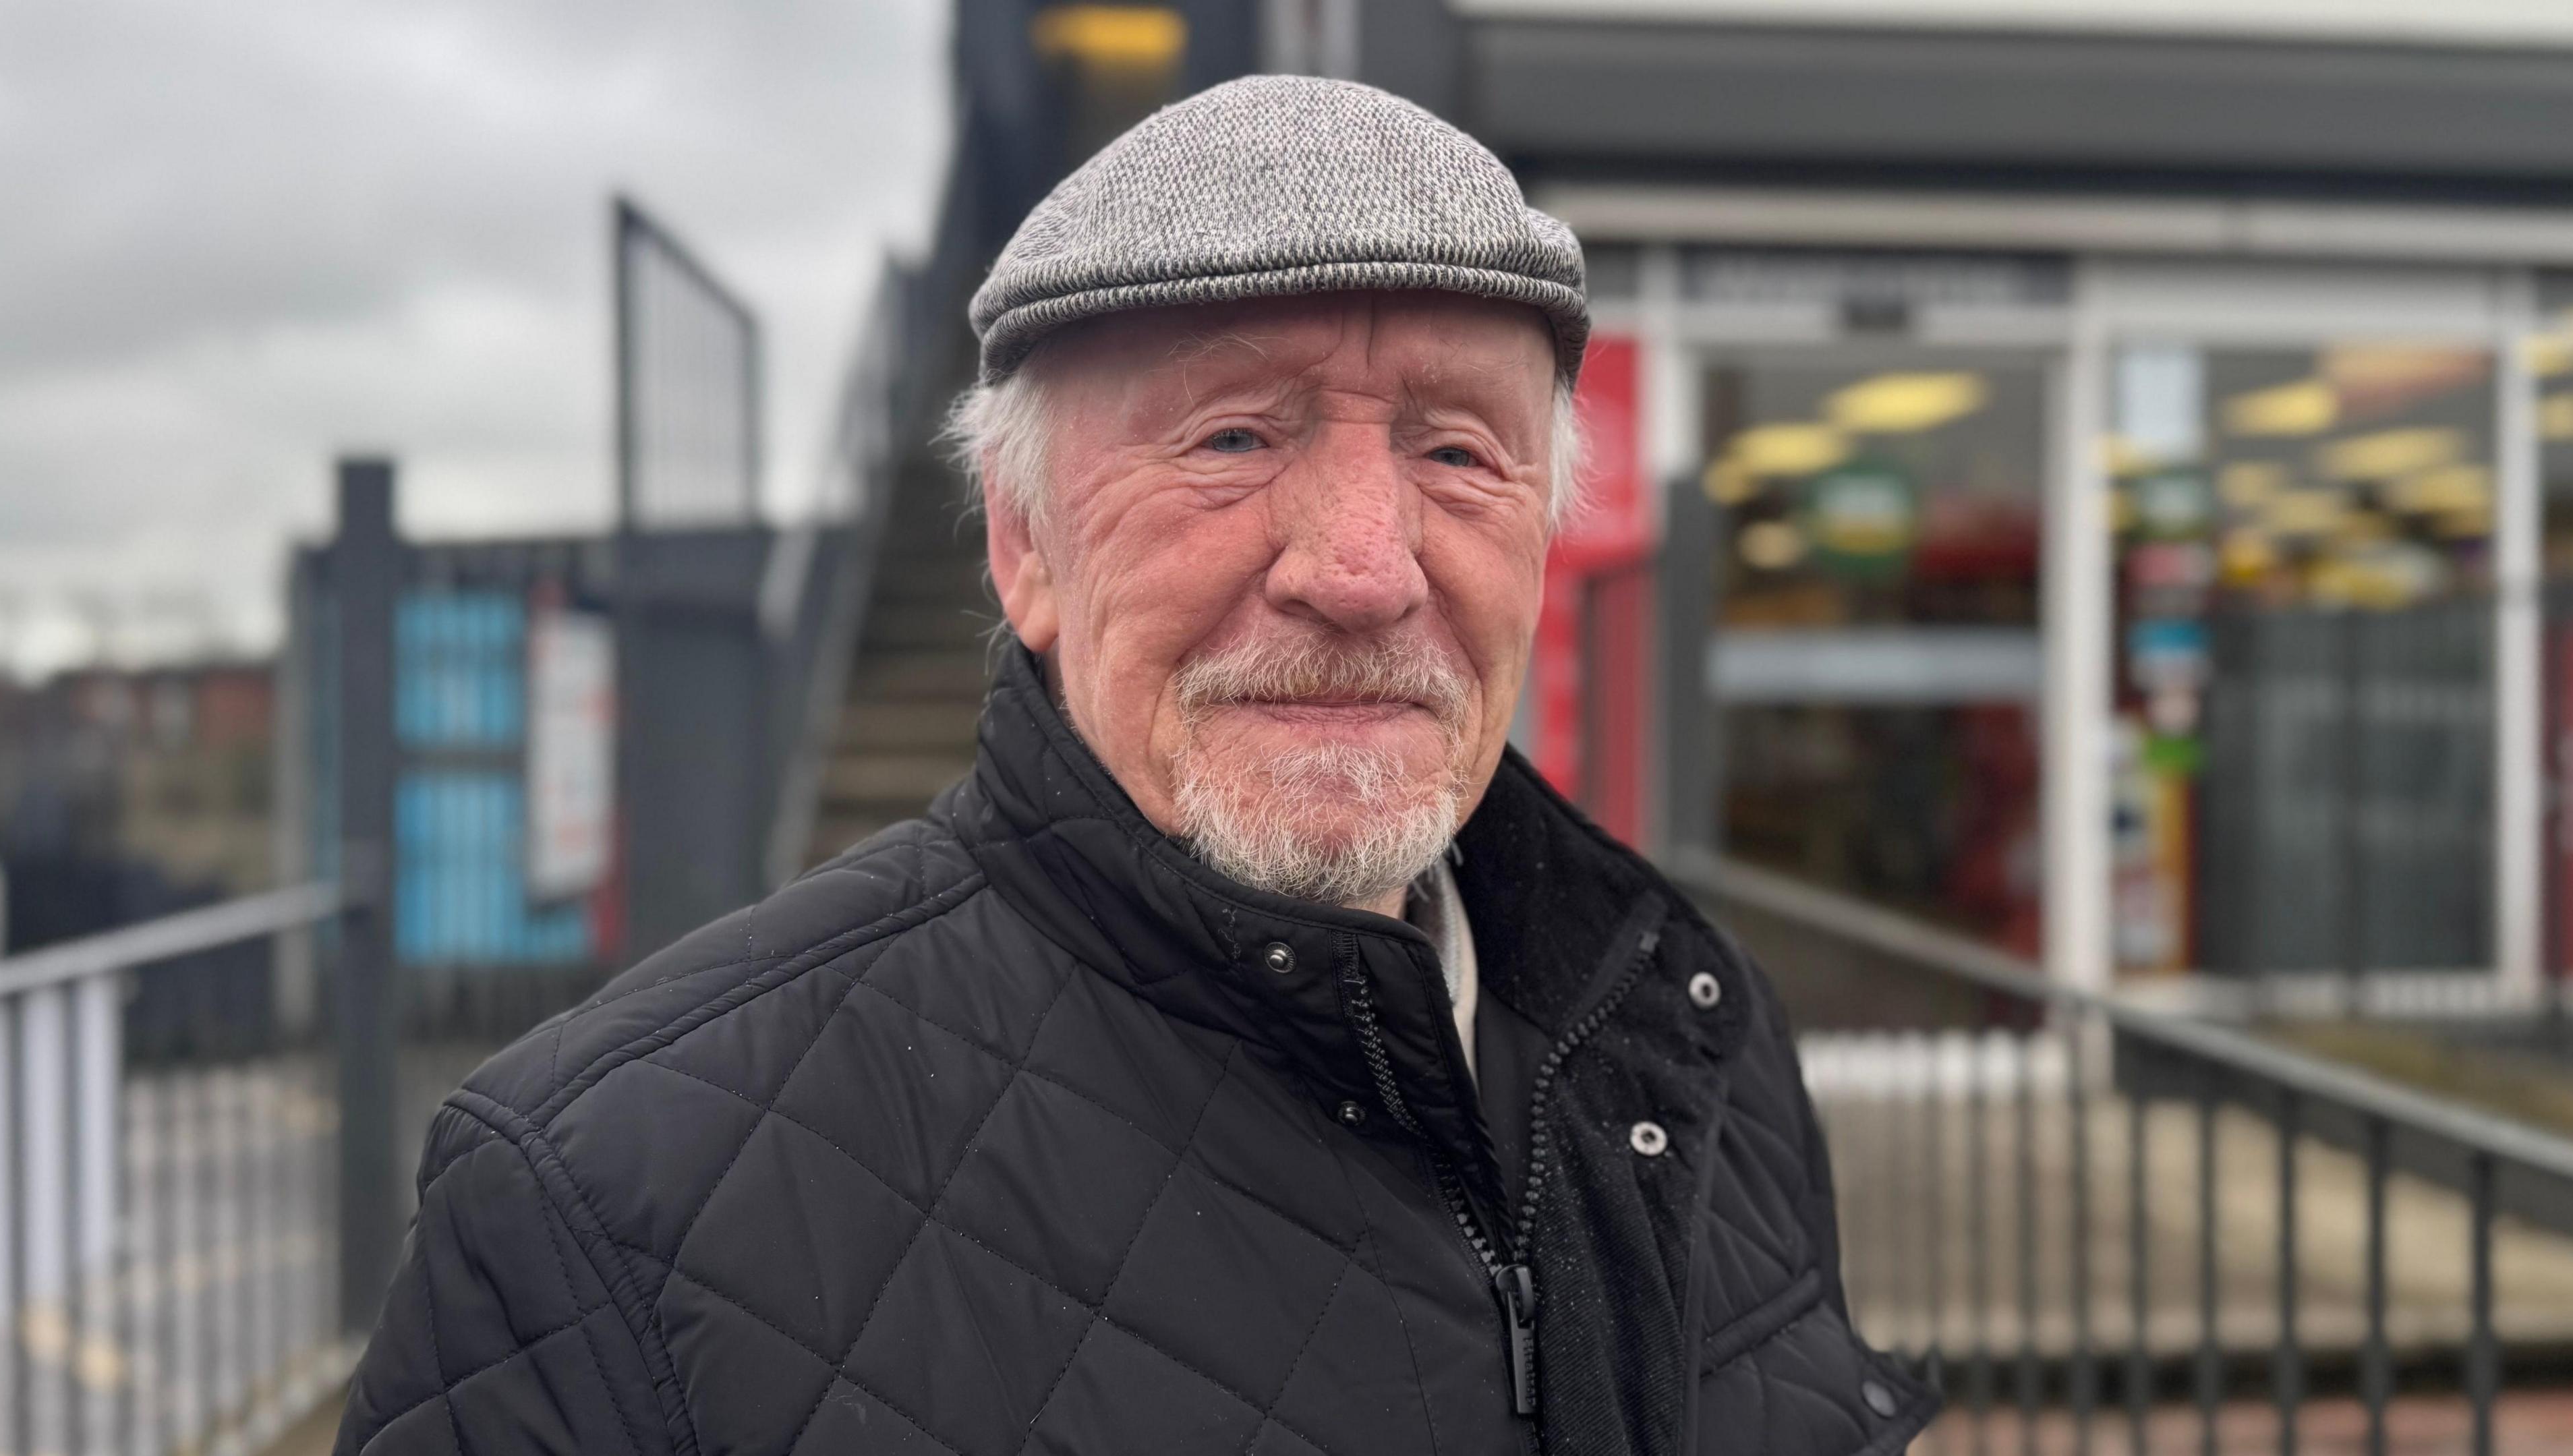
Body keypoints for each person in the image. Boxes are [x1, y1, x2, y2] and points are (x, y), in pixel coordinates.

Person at [334, 75, 1932, 1456]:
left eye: (1458, 450)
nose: (1364, 568)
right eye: (1234, 437)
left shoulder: (1687, 1039)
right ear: (1025, 547)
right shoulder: (602, 1214)